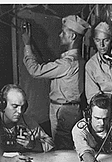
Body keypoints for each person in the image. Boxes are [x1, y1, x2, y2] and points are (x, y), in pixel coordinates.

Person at [22, 15, 90, 149]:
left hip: (62, 111)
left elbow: (35, 70)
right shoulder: (77, 60)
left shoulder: (67, 64)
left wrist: (27, 44)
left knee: (62, 149)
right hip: (71, 110)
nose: (60, 35)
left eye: (63, 32)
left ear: (72, 37)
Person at [0, 84, 55, 162]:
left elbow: (50, 144)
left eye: (22, 107)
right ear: (2, 105)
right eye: (15, 106)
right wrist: (8, 160)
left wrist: (33, 145)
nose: (19, 111)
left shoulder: (27, 121)